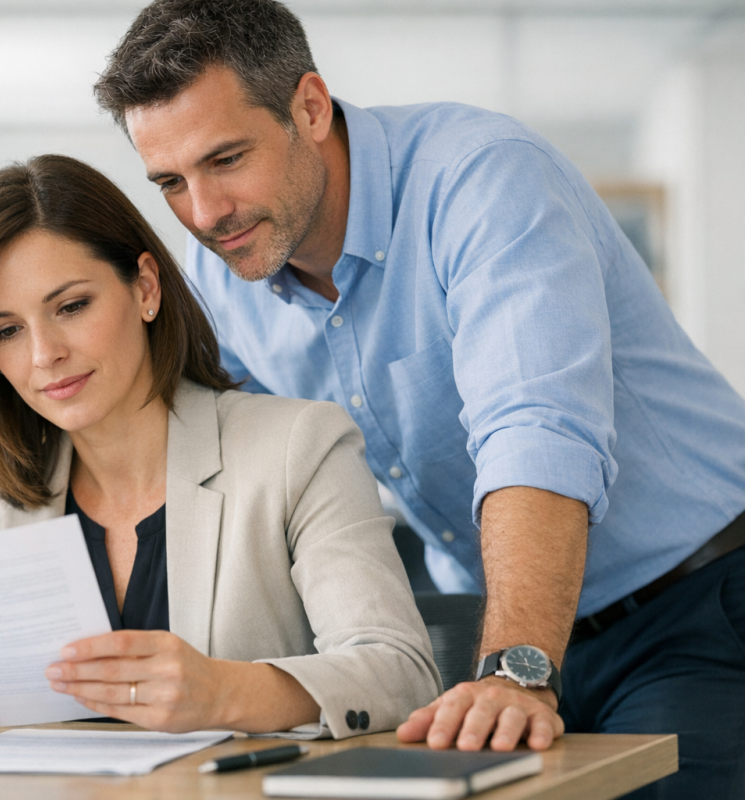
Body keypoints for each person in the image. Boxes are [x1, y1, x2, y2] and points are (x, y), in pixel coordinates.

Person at [92, 1, 745, 796]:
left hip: (696, 606)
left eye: (227, 159)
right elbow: (245, 473)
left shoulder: (482, 177)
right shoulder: (224, 277)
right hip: (490, 629)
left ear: (309, 105)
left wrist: (516, 669)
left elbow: (534, 428)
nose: (203, 212)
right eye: (170, 182)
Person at [0, 154, 440, 738]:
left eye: (72, 306)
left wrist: (225, 692)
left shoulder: (296, 447)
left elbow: (397, 670)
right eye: (5, 331)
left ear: (144, 287)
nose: (45, 355)